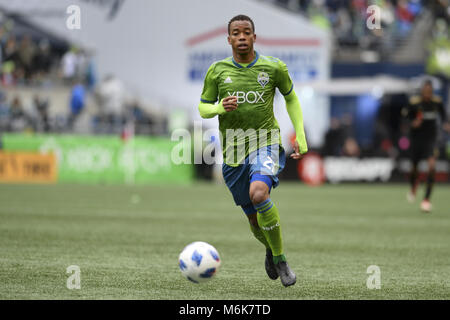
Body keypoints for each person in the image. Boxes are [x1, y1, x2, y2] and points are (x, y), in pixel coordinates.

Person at [198, 15, 308, 287]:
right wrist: (219, 108)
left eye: (247, 32)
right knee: (254, 220)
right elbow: (203, 107)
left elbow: (291, 97)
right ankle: (271, 247)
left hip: (265, 142)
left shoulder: (273, 68)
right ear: (229, 39)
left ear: (255, 37)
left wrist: (300, 134)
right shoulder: (217, 71)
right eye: (237, 33)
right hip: (233, 151)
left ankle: (281, 259)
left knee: (259, 193)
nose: (242, 37)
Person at [406, 80, 450, 212]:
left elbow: (444, 117)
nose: (427, 93)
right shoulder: (414, 103)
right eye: (425, 91)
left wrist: (446, 125)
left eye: (429, 91)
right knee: (414, 168)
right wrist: (413, 123)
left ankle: (426, 199)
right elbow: (406, 118)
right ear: (421, 91)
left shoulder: (437, 102)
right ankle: (414, 186)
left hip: (431, 140)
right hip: (416, 140)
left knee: (431, 166)